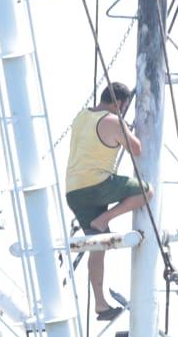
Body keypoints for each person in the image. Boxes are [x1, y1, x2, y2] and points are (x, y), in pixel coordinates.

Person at [64, 82, 153, 322]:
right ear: (120, 104)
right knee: (146, 192)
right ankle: (104, 218)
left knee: (98, 244)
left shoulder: (82, 116)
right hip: (97, 185)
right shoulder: (113, 120)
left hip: (73, 192)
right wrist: (126, 126)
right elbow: (136, 148)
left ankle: (100, 305)